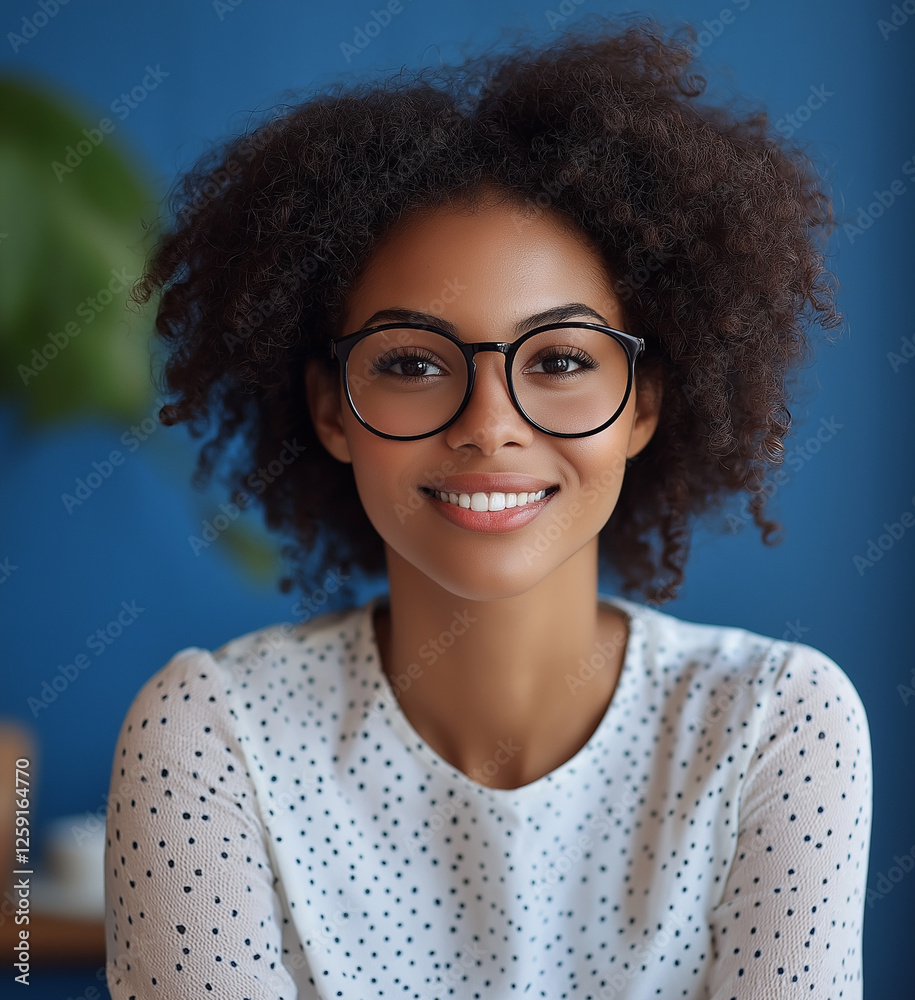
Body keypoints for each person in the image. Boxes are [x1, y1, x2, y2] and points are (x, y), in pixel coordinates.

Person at [104, 15, 872, 999]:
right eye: (413, 362)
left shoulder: (774, 724)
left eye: (558, 360)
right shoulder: (208, 738)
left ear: (642, 403)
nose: (488, 425)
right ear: (330, 409)